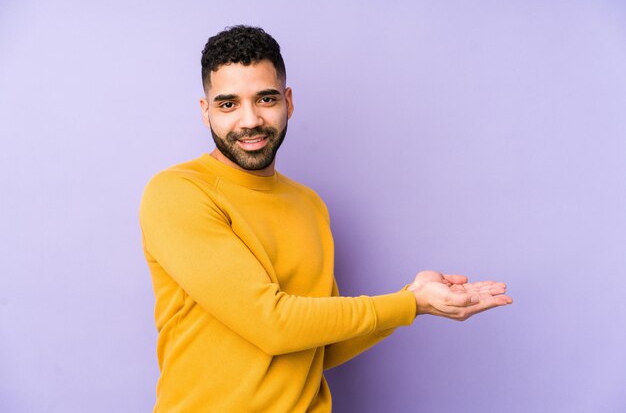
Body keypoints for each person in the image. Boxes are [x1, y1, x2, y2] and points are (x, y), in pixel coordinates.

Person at [139, 25, 513, 413]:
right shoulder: (178, 193)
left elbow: (319, 346)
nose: (249, 120)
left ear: (288, 101)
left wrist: (414, 298)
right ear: (206, 112)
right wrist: (408, 304)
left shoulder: (308, 204)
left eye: (265, 99)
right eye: (228, 104)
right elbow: (273, 325)